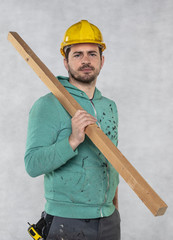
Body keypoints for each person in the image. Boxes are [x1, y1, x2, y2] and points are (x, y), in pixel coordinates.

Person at [24, 20, 121, 240]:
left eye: (92, 54)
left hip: (109, 220)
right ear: (66, 62)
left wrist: (114, 209)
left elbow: (112, 161)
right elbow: (32, 164)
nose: (85, 60)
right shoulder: (48, 105)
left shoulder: (109, 106)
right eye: (77, 54)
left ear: (102, 61)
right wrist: (73, 140)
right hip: (66, 223)